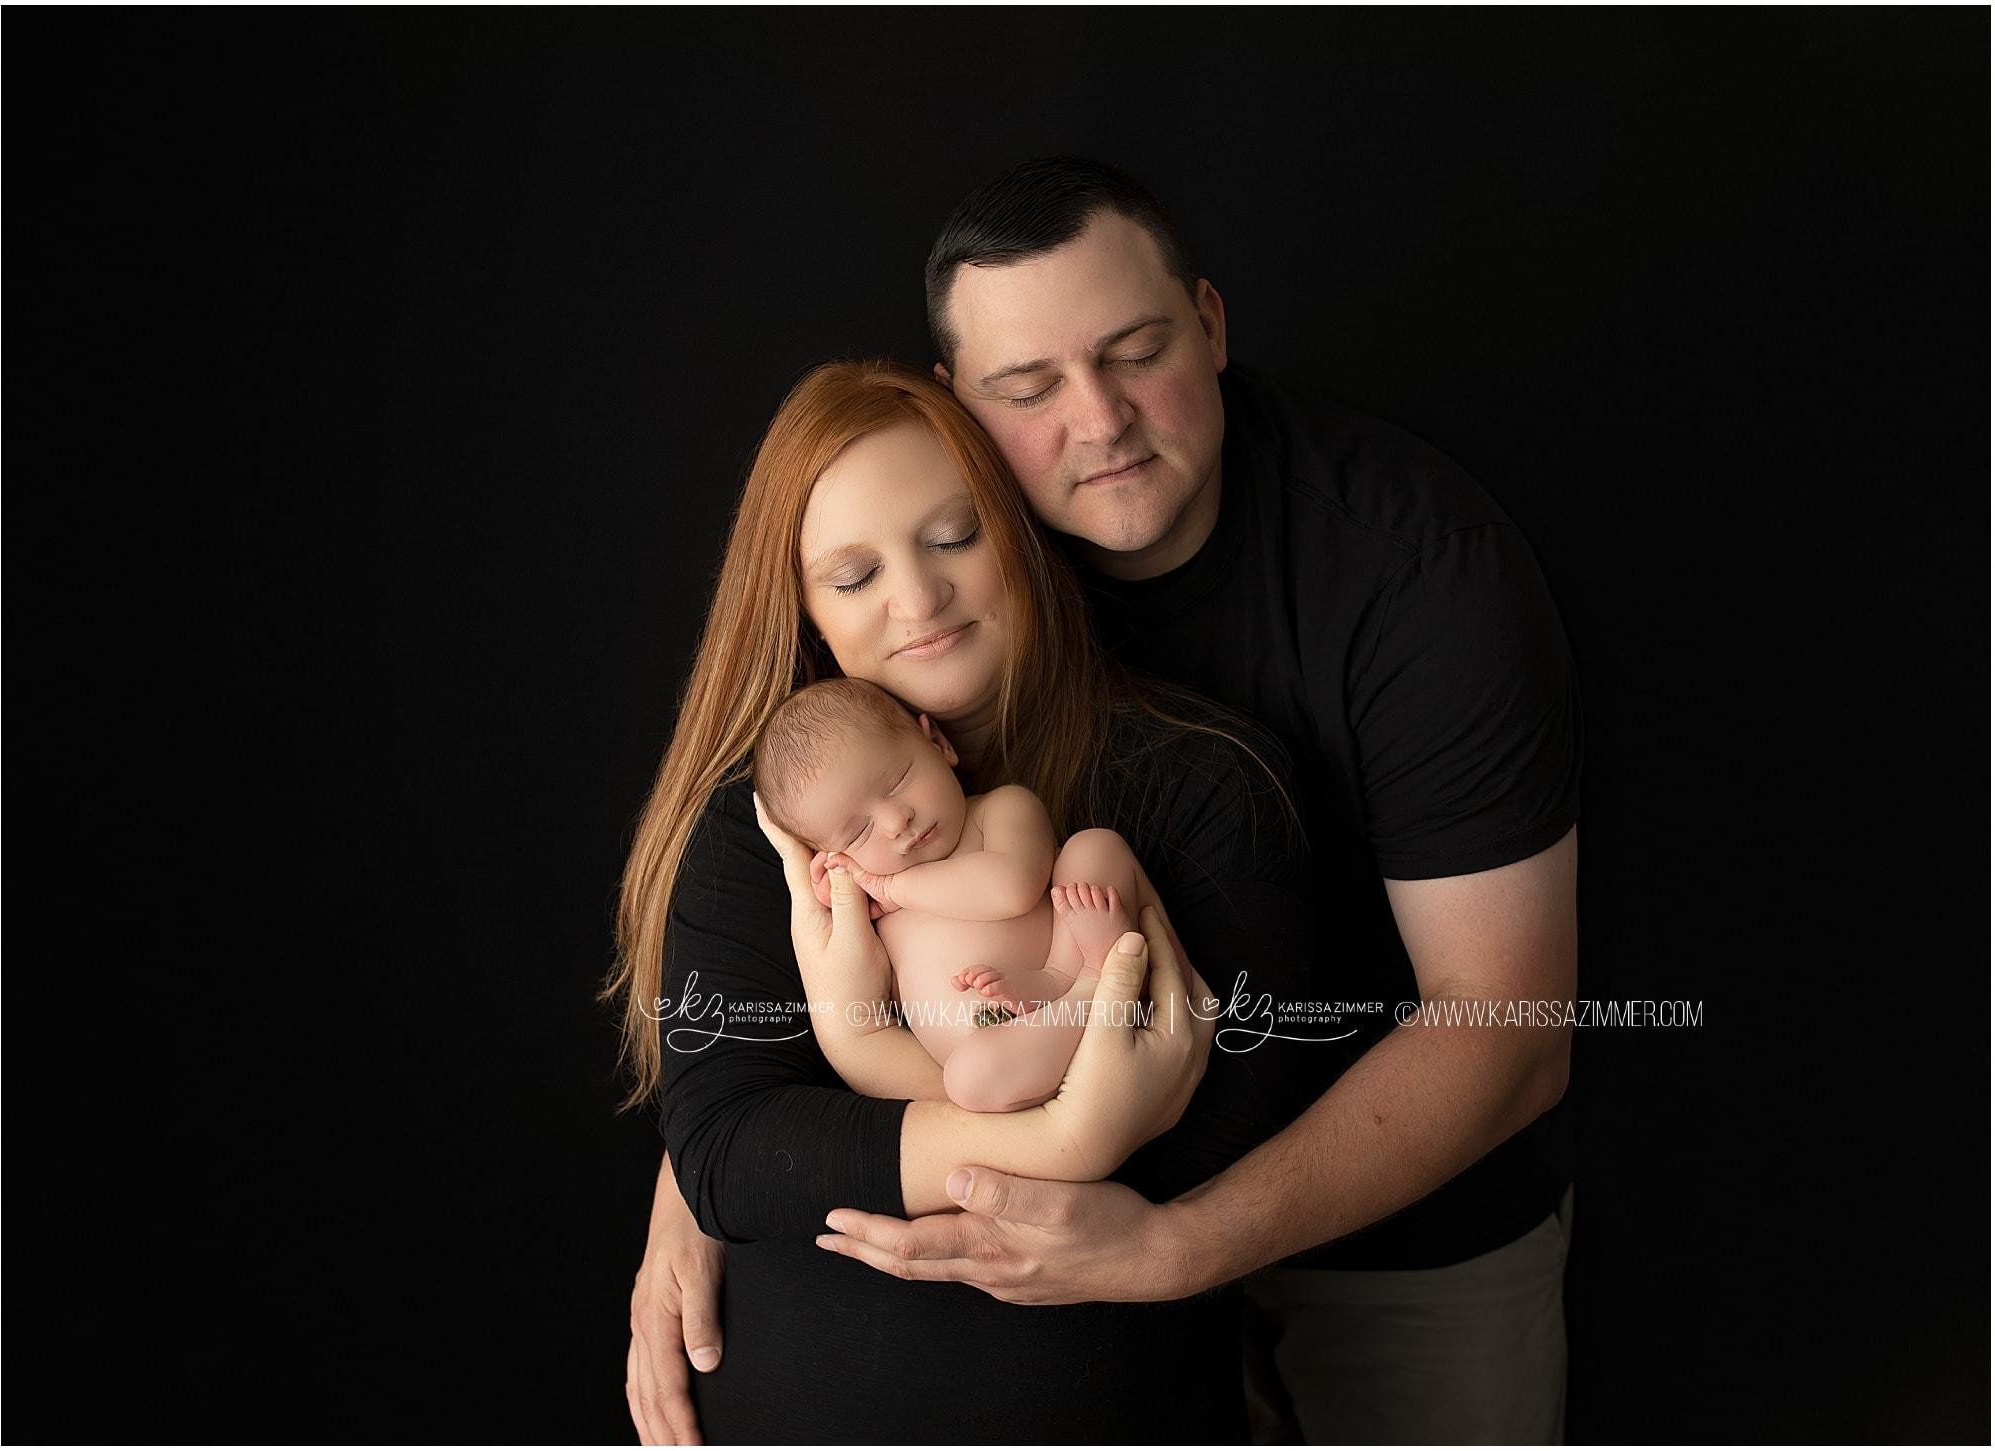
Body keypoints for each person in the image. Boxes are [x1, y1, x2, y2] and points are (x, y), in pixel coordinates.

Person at [625, 159, 1584, 1446]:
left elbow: (1505, 1024)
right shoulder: (940, 600)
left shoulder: (1414, 576)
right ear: (962, 406)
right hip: (1100, 1204)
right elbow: (747, 1084)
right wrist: (702, 1169)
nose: (1099, 419)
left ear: (1211, 322)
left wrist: (1172, 1236)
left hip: (1397, 1199)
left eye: (1136, 352)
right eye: (1027, 388)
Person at [608, 357, 1316, 1444]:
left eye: (952, 539)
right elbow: (732, 1151)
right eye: (852, 577)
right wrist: (1074, 1130)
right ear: (800, 611)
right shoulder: (776, 830)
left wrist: (885, 1107)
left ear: (1017, 530)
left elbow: (1218, 1147)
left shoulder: (1197, 784)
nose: (919, 598)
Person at [752, 675, 1155, 1113]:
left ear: (938, 743)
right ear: (835, 855)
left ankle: (1084, 982)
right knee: (966, 1077)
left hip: (1085, 973)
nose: (895, 821)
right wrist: (840, 894)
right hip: (1016, 1054)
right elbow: (861, 992)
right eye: (859, 831)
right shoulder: (874, 907)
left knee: (1095, 849)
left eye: (898, 781)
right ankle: (1082, 999)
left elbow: (1011, 889)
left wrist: (893, 885)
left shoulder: (1000, 810)